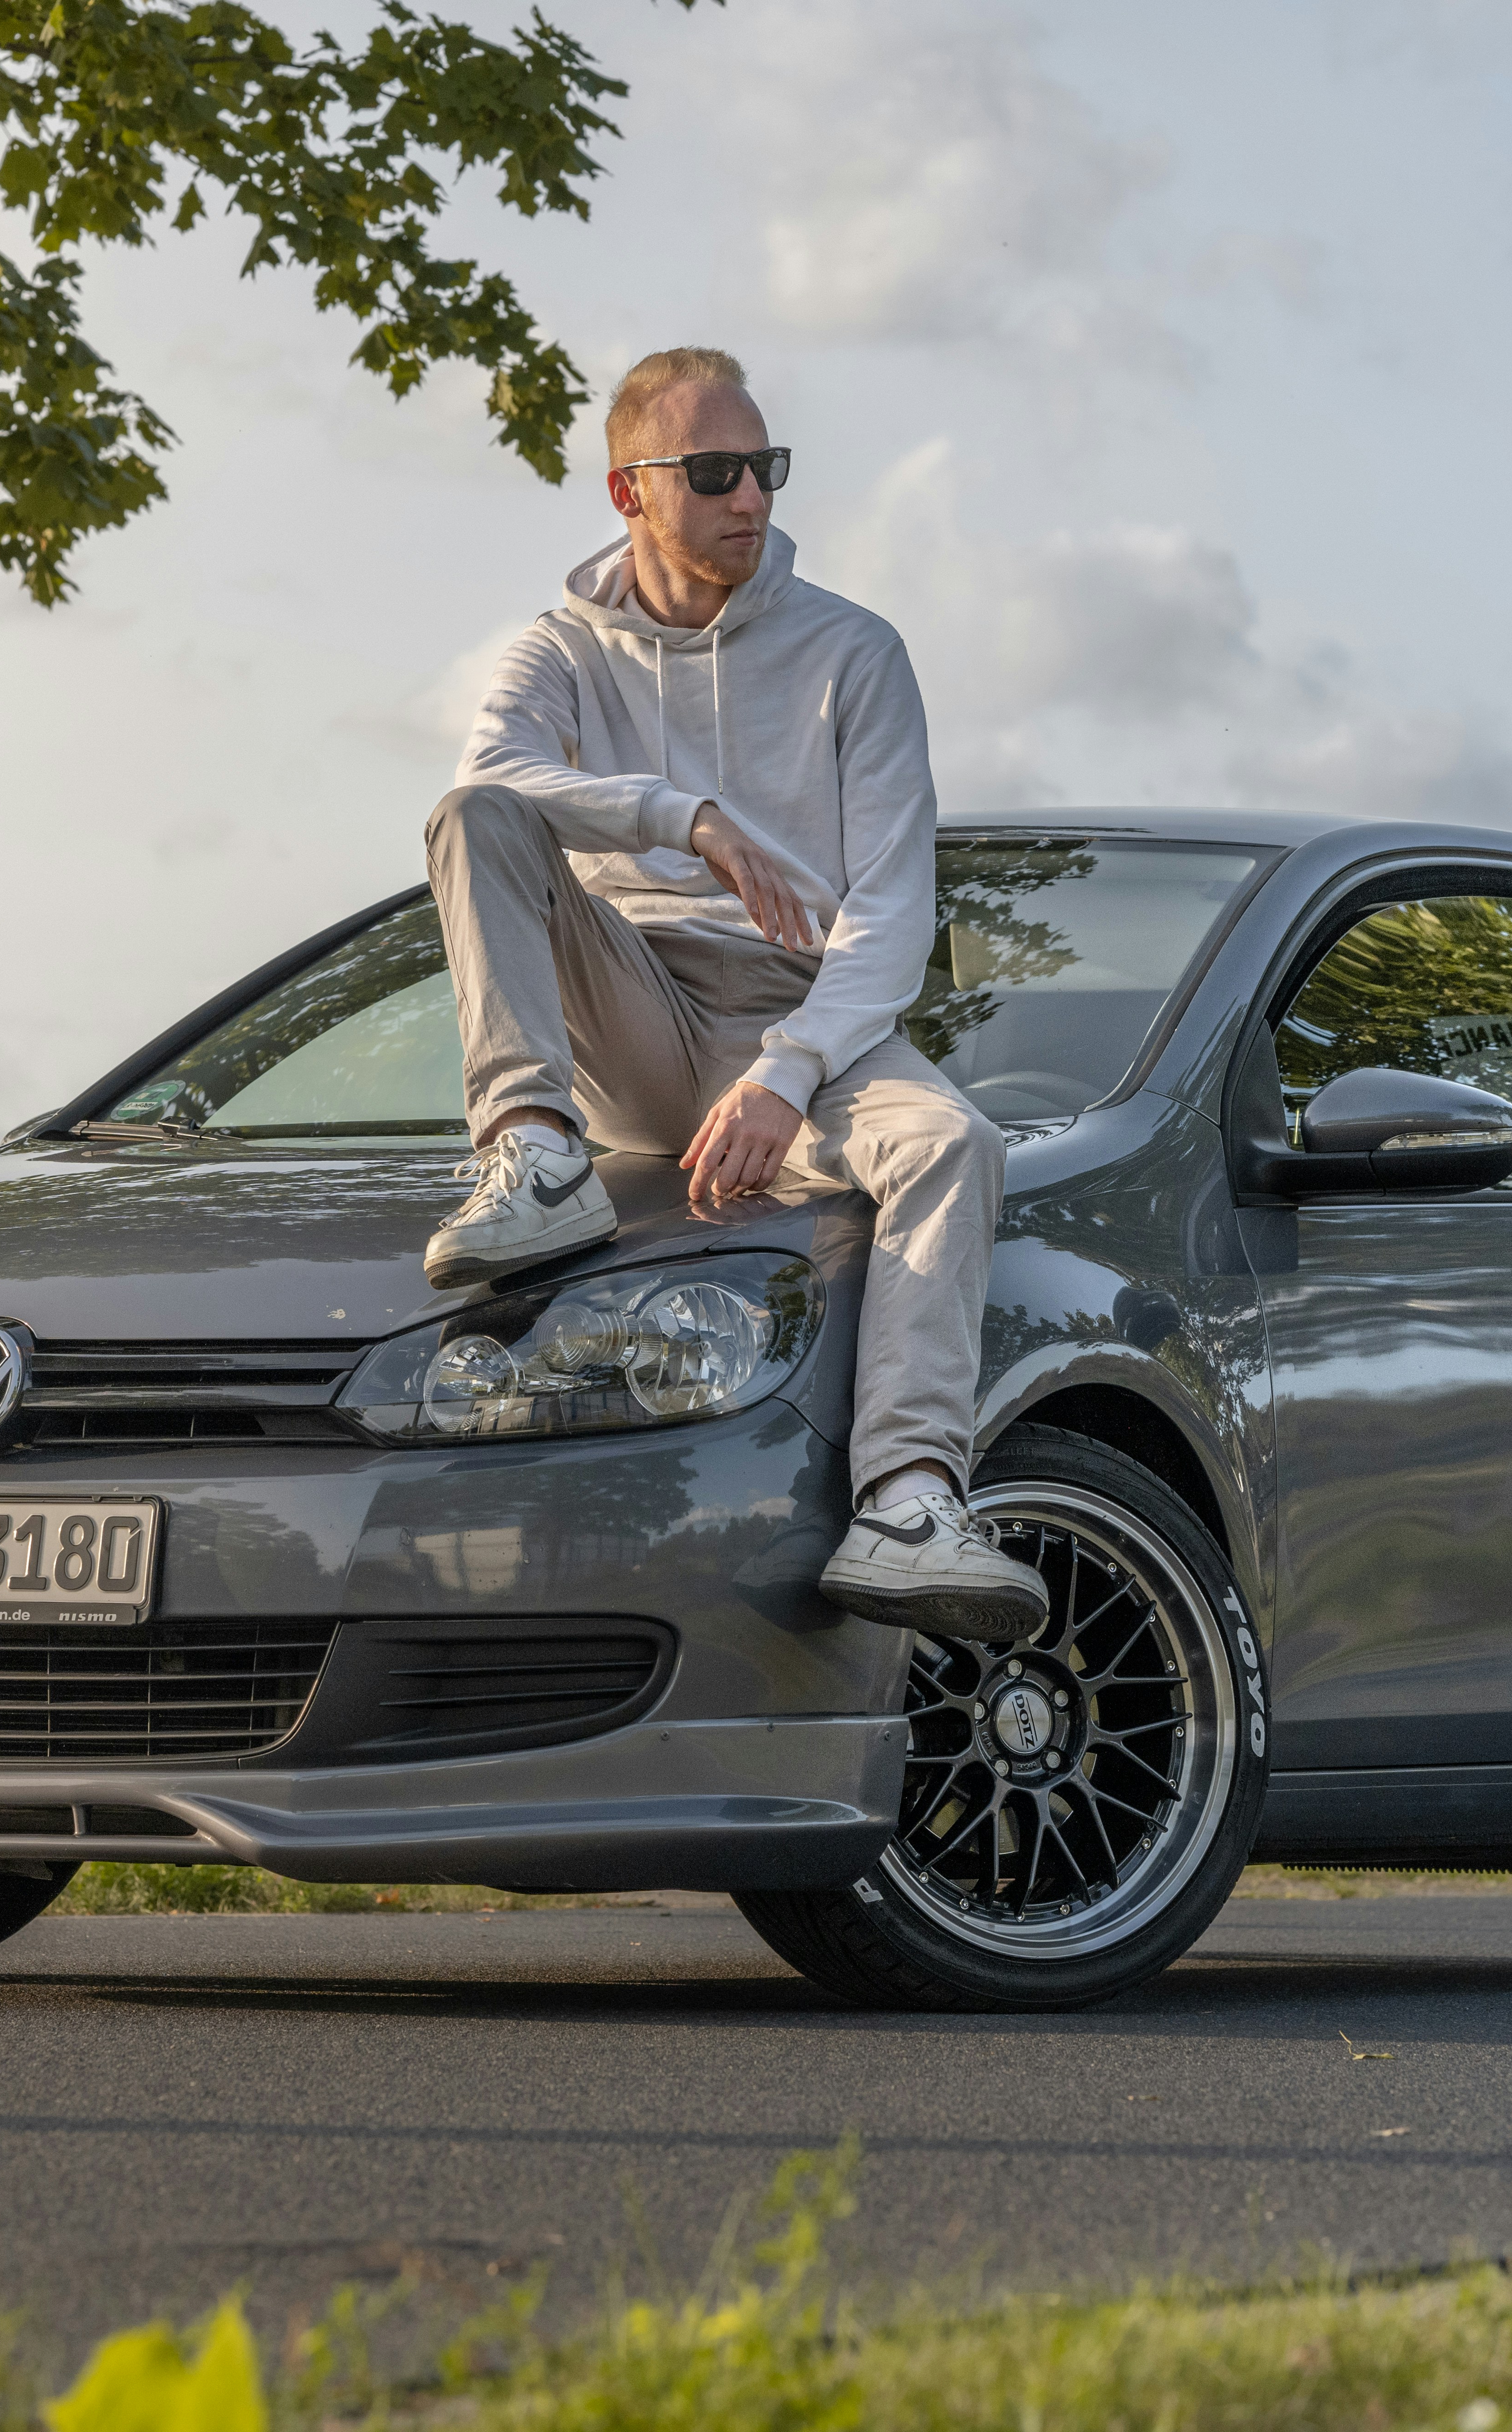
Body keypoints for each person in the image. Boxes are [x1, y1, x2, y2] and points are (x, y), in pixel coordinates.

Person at [418, 346, 1046, 1645]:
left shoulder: (853, 652)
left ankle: (911, 1500)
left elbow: (891, 912)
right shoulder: (562, 651)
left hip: (806, 1013)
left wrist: (789, 1066)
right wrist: (679, 816)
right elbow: (491, 778)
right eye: (711, 473)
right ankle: (532, 1155)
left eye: (763, 467)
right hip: (631, 999)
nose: (747, 496)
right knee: (477, 814)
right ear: (626, 490)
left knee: (949, 1143)